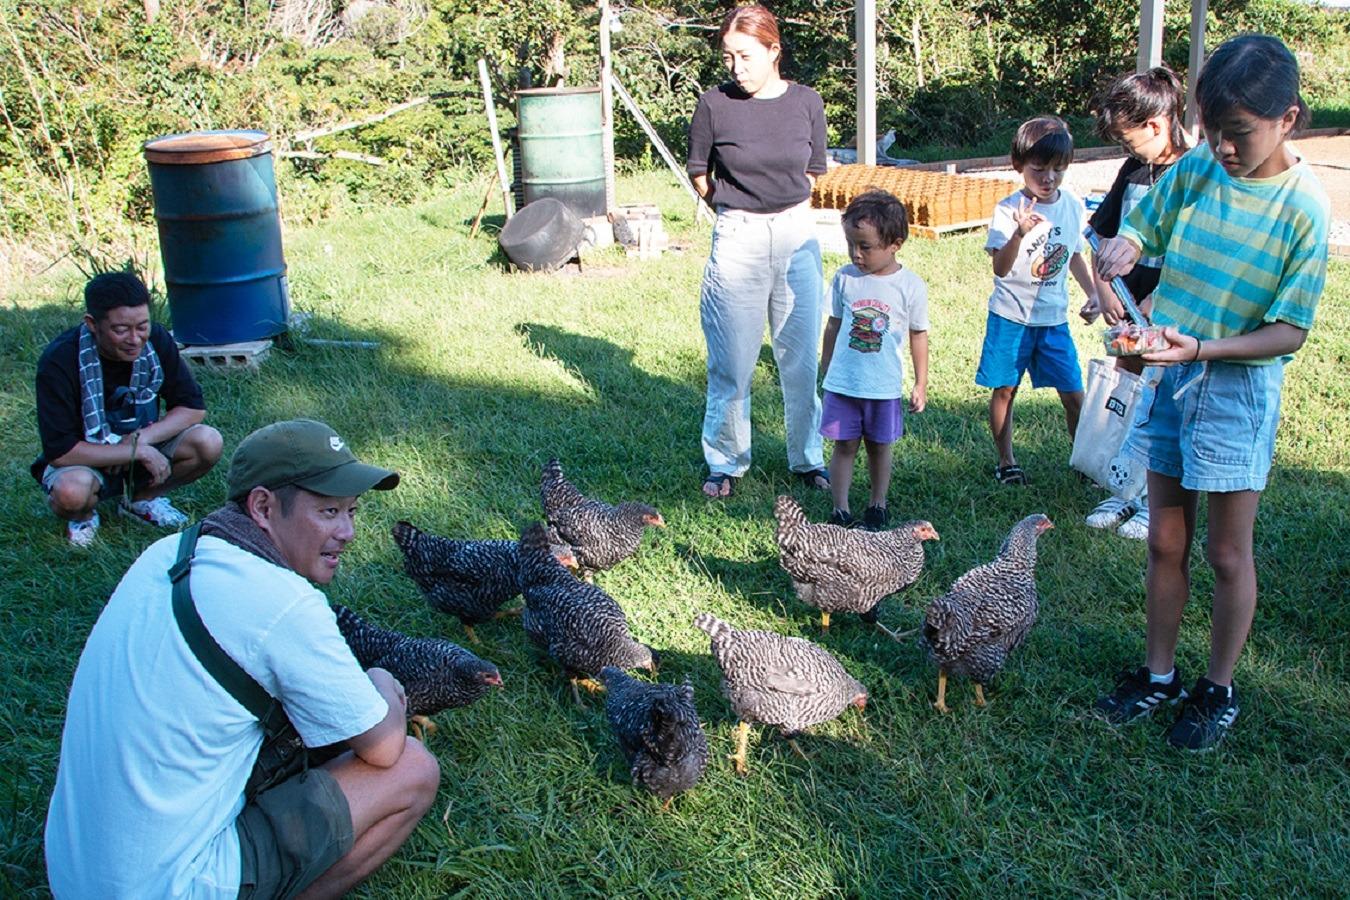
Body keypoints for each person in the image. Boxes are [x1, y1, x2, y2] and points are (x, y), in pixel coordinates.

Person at [45, 419, 441, 897]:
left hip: (75, 871)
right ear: (262, 506)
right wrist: (380, 680)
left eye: (352, 511)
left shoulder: (169, 553)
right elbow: (382, 747)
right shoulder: (285, 603)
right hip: (163, 886)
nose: (348, 532)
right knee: (413, 770)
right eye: (329, 511)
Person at [1092, 34, 1329, 750]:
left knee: (1227, 554)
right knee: (1166, 538)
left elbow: (1289, 331)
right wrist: (1129, 244)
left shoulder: (1303, 210)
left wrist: (1207, 348)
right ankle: (1158, 674)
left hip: (1234, 392)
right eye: (1214, 132)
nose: (1224, 148)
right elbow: (1148, 221)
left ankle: (1216, 689)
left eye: (1240, 134)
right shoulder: (1199, 168)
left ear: (1289, 118)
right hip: (1172, 375)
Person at [686, 3, 829, 499]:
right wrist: (740, 207)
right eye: (728, 58)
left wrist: (777, 205)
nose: (735, 68)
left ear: (773, 51)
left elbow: (813, 170)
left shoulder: (807, 102)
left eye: (745, 56)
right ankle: (725, 463)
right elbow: (700, 172)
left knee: (800, 358)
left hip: (797, 235)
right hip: (738, 237)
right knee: (733, 361)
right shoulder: (714, 104)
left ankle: (809, 459)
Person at [31, 271, 223, 546]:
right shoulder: (59, 361)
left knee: (207, 442)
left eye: (142, 326)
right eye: (121, 330)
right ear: (92, 324)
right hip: (83, 457)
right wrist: (128, 451)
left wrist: (140, 440)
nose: (135, 339)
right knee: (71, 493)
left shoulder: (156, 341)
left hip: (140, 441)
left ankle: (140, 501)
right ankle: (84, 516)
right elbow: (60, 452)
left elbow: (192, 408)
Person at [1082, 66, 1191, 540]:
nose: (1127, 152)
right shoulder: (1134, 170)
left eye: (1130, 141)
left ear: (1156, 125)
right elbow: (1102, 232)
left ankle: (1153, 499)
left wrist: (1153, 302)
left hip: (1170, 314)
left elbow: (1192, 256)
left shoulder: (1192, 175)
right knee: (1127, 395)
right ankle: (1123, 487)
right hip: (1128, 312)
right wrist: (1103, 291)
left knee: (1161, 400)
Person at [978, 116, 1099, 486]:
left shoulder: (1072, 206)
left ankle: (1085, 461)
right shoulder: (1006, 210)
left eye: (1058, 170)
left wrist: (1093, 292)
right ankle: (1006, 461)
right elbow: (1000, 267)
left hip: (1053, 320)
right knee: (1005, 389)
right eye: (1039, 169)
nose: (1048, 178)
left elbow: (1075, 254)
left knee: (1074, 393)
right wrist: (1018, 231)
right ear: (1019, 166)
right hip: (1011, 318)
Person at [818, 190, 929, 530]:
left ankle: (877, 504)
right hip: (844, 383)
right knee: (844, 444)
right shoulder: (845, 279)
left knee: (880, 446)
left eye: (865, 246)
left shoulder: (909, 286)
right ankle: (840, 508)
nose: (856, 254)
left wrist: (920, 382)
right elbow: (834, 325)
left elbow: (918, 334)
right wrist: (825, 369)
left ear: (895, 243)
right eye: (852, 244)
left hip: (883, 387)